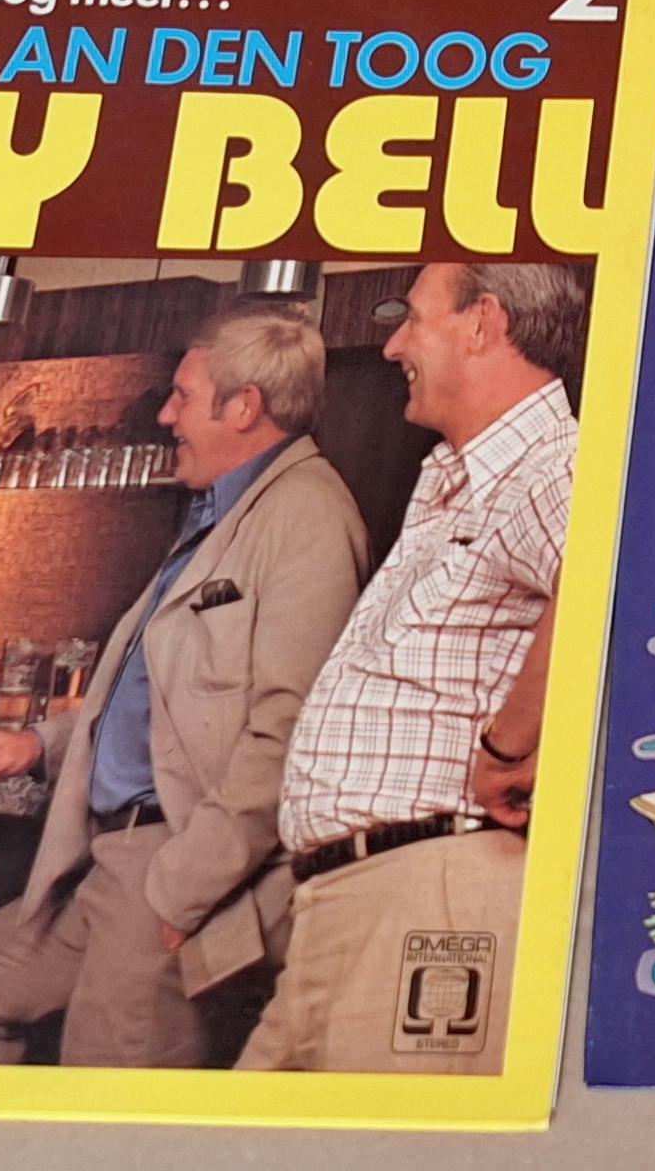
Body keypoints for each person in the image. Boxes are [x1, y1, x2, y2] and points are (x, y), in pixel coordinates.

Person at [0, 306, 371, 1067]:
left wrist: (182, 891)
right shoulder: (217, 511)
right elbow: (168, 703)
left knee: (107, 1085)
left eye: (182, 397)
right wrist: (38, 744)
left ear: (244, 406)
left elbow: (290, 733)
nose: (166, 416)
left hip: (176, 856)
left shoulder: (308, 515)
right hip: (110, 855)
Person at [242, 262, 587, 1075]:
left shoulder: (552, 464)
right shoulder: (456, 475)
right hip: (358, 900)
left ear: (484, 323)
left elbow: (608, 580)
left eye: (414, 320)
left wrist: (510, 744)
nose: (394, 345)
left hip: (433, 888)